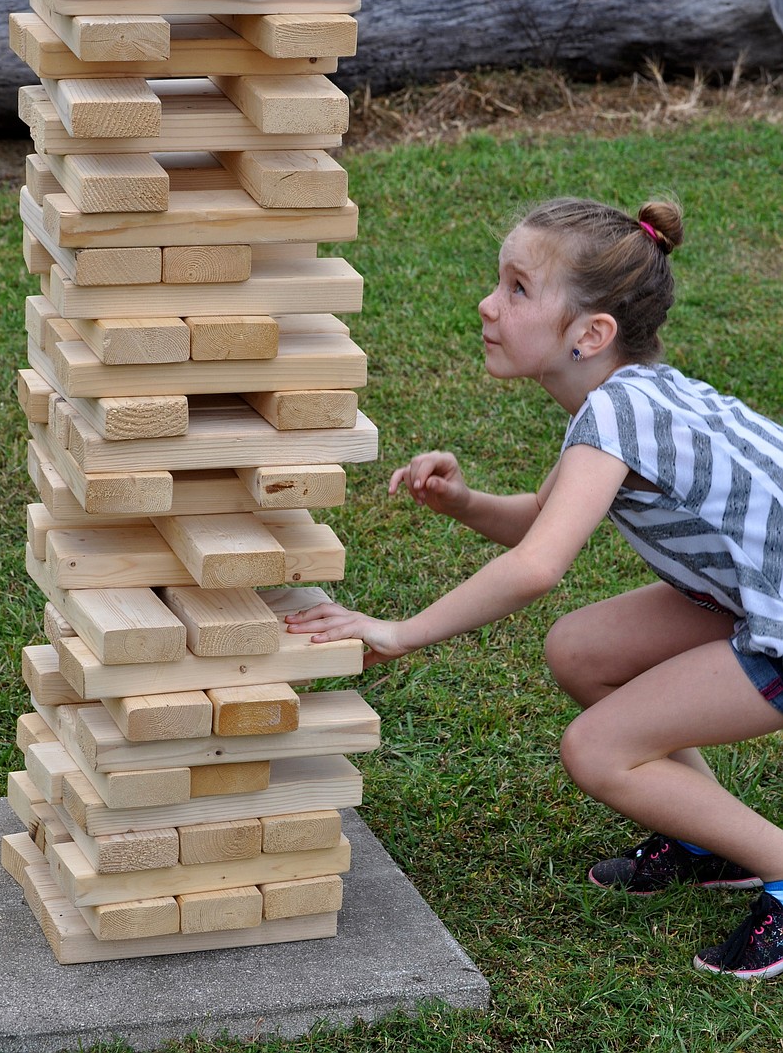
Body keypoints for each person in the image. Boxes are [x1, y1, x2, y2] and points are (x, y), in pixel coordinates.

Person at [285, 195, 783, 979]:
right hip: (758, 595)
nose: (488, 303)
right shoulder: (624, 396)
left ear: (591, 334)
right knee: (579, 649)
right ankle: (708, 845)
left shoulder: (615, 413)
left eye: (517, 288)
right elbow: (537, 523)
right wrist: (462, 500)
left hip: (778, 619)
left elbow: (536, 566)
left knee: (598, 750)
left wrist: (400, 629)